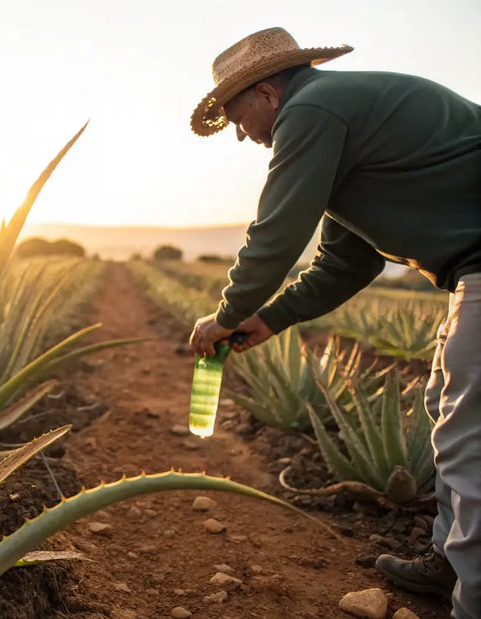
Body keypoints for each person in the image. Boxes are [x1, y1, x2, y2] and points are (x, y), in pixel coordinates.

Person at [185, 26, 481, 618]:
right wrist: (269, 319)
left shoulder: (313, 108)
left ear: (267, 94)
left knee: (470, 441)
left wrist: (227, 315)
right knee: (447, 414)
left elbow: (276, 231)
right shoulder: (350, 120)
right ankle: (450, 562)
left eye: (239, 117)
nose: (243, 136)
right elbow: (347, 260)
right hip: (468, 273)